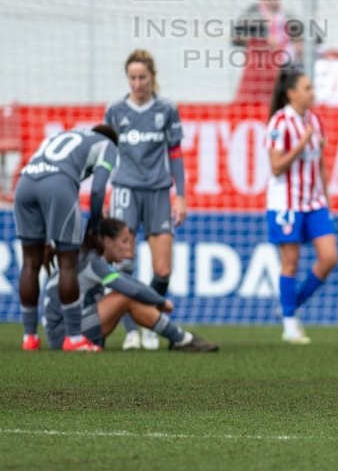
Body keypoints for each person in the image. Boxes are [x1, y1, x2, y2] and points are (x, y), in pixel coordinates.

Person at [104, 49, 187, 351]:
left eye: (143, 77)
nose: (138, 83)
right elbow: (107, 154)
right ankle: (131, 332)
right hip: (125, 191)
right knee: (123, 266)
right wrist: (105, 196)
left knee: (163, 269)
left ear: (153, 77)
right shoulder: (115, 111)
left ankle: (148, 321)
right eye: (133, 78)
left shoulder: (166, 109)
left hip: (158, 193)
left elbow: (175, 154)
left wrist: (181, 196)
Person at [14, 124, 118, 351]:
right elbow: (98, 190)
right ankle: (73, 338)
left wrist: (49, 239)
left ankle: (29, 338)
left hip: (24, 184)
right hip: (59, 185)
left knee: (30, 262)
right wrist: (95, 226)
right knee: (67, 264)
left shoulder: (62, 135)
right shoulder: (108, 145)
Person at [43, 217, 218, 352]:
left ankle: (180, 338)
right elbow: (130, 289)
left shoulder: (91, 260)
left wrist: (154, 299)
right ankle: (181, 338)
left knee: (127, 295)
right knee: (125, 297)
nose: (128, 247)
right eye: (124, 241)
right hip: (65, 334)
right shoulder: (93, 262)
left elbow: (130, 283)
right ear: (108, 242)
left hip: (67, 329)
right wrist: (160, 301)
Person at [265, 69, 338, 344]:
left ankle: (290, 305)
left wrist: (327, 200)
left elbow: (320, 164)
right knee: (291, 262)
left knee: (330, 258)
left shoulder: (314, 120)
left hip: (314, 202)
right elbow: (276, 167)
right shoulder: (280, 122)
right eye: (307, 88)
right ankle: (289, 324)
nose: (312, 93)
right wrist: (301, 144)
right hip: (287, 203)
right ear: (292, 93)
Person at [232, 0, 301, 104]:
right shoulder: (252, 14)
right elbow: (236, 37)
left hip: (288, 66)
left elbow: (305, 37)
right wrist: (263, 40)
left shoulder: (288, 15)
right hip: (261, 68)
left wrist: (298, 43)